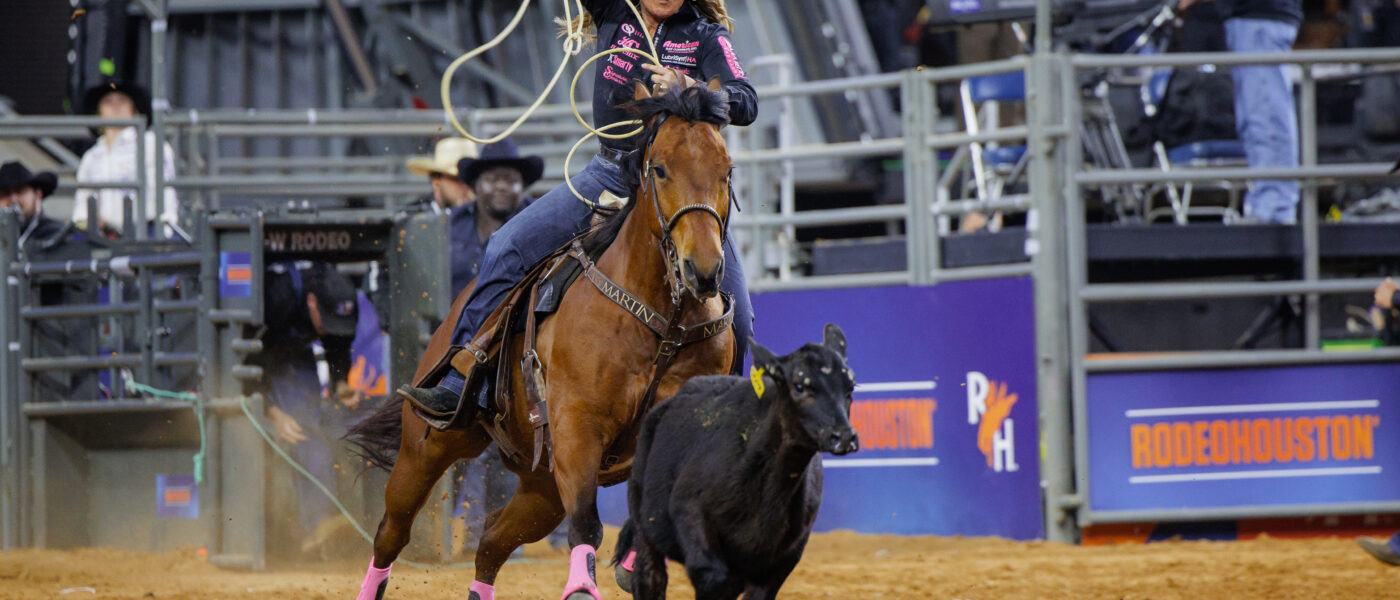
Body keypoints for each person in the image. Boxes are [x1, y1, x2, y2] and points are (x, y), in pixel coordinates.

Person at [400, 0, 758, 416]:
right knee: (505, 246)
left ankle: (729, 419)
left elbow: (745, 101)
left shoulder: (704, 35)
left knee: (740, 319)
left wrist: (688, 85)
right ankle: (460, 380)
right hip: (610, 172)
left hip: (679, 190)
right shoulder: (613, 11)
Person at [246, 261, 365, 550]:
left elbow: (338, 342)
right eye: (326, 321)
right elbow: (242, 360)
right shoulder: (278, 297)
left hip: (296, 359)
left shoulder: (342, 300)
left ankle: (325, 524)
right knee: (304, 430)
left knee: (321, 428)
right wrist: (272, 413)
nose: (330, 329)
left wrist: (340, 382)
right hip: (255, 362)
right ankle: (316, 525)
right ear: (311, 302)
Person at [1178, 0, 1302, 224]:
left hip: (1261, 16)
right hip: (1251, 17)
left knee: (1266, 114)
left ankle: (1274, 209)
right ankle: (1266, 205)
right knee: (1254, 119)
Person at [74, 80, 179, 238]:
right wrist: (87, 223)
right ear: (99, 112)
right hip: (106, 236)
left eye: (122, 101)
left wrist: (164, 232)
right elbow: (82, 201)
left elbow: (165, 193)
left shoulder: (150, 143)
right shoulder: (92, 156)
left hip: (146, 231)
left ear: (134, 110)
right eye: (108, 102)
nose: (115, 106)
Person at [0, 161, 64, 253]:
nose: (13, 200)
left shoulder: (56, 234)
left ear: (38, 194)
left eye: (20, 191)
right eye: (6, 193)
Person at [406, 137, 480, 213]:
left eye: (470, 179)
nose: (465, 186)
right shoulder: (410, 219)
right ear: (435, 180)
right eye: (457, 179)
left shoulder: (485, 218)